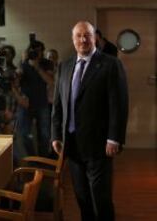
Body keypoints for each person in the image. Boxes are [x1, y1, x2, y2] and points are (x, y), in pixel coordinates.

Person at [51, 21, 128, 221]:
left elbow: (118, 105)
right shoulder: (65, 66)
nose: (83, 40)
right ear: (73, 39)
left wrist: (114, 138)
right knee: (82, 199)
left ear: (95, 38)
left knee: (101, 200)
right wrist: (55, 135)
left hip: (99, 144)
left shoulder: (111, 64)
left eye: (87, 35)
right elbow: (58, 106)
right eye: (79, 36)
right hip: (72, 145)